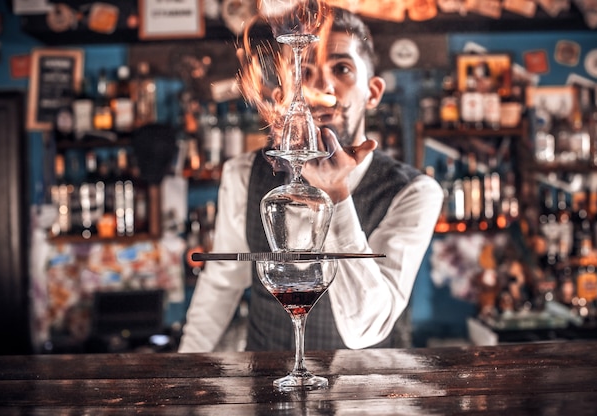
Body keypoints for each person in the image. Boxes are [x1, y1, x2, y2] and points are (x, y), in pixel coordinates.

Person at [179, 4, 443, 352]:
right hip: (266, 386)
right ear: (285, 92)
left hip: (365, 395)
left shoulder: (415, 192)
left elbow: (365, 330)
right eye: (305, 70)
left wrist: (336, 194)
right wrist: (185, 373)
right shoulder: (244, 173)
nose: (323, 86)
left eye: (343, 68)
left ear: (373, 92)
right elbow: (221, 287)